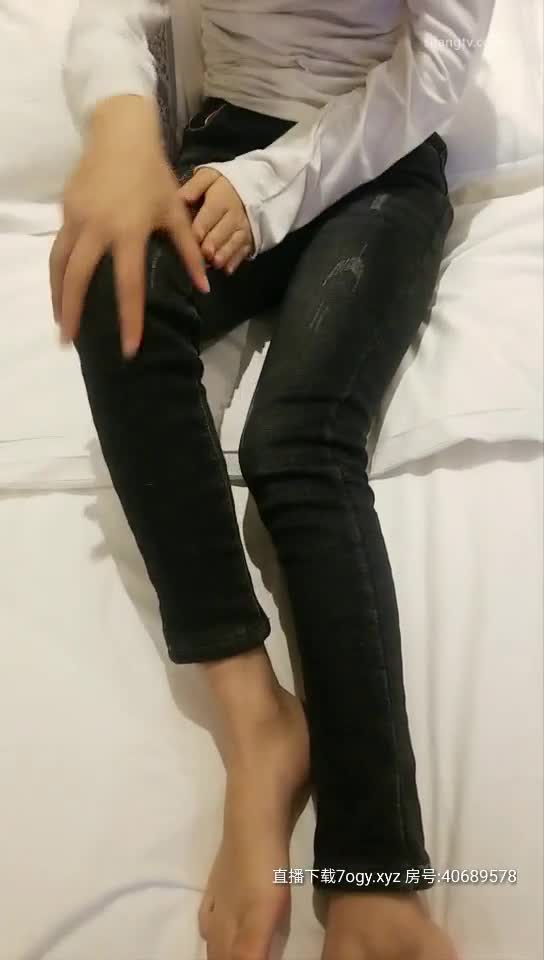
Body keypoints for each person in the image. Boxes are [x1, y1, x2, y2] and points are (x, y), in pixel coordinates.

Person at [50, 1, 494, 958]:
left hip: (379, 155)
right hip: (226, 141)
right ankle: (258, 723)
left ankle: (376, 868)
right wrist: (121, 124)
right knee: (112, 298)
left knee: (296, 446)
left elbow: (439, 63)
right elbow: (117, 11)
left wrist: (268, 190)